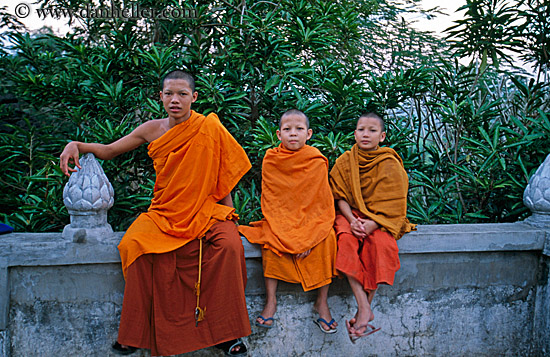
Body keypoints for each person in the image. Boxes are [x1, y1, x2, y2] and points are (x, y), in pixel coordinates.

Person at [59, 70, 252, 356]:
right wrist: (76, 145)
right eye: (169, 94)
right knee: (133, 245)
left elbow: (223, 177)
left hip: (207, 209)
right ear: (160, 97)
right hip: (166, 210)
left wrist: (230, 216)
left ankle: (227, 334)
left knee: (230, 247)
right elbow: (110, 150)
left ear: (193, 97)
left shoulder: (210, 128)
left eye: (182, 94)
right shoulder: (152, 129)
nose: (175, 100)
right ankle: (135, 334)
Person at [238, 109, 338, 333]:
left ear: (309, 133)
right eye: (287, 129)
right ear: (278, 133)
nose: (293, 134)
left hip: (312, 222)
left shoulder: (316, 161)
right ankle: (271, 301)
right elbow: (273, 202)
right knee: (271, 243)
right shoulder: (272, 160)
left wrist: (307, 238)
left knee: (328, 239)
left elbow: (320, 203)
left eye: (299, 129)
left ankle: (322, 302)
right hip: (280, 219)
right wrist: (288, 236)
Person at [329, 112, 416, 343]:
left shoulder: (389, 163)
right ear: (355, 133)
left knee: (379, 245)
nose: (365, 134)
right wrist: (352, 220)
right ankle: (363, 306)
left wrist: (373, 224)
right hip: (350, 216)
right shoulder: (345, 161)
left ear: (382, 136)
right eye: (361, 130)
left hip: (380, 219)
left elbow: (395, 202)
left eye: (372, 130)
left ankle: (364, 310)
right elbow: (339, 197)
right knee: (345, 242)